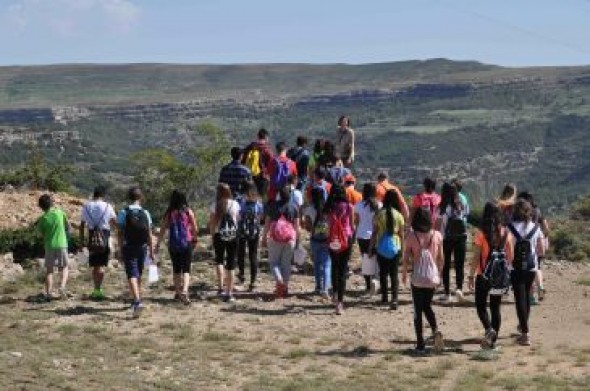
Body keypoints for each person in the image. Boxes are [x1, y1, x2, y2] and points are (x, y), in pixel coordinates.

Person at [468, 202, 514, 350]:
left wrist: (470, 276)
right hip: (499, 276)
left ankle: (489, 330)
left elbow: (475, 257)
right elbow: (510, 256)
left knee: (480, 305)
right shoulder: (505, 232)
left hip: (483, 275)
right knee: (496, 307)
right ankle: (492, 342)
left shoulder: (481, 233)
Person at [401, 207, 445, 354]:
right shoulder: (437, 235)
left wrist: (404, 274)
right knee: (427, 306)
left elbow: (406, 257)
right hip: (432, 278)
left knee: (417, 311)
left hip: (418, 278)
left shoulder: (411, 236)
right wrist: (439, 274)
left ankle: (420, 344)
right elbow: (441, 258)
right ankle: (435, 330)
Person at [507, 199, 545, 346]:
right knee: (527, 297)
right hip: (531, 267)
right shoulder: (536, 228)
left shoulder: (510, 227)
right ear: (530, 212)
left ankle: (525, 333)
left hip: (515, 268)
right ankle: (524, 327)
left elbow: (507, 249)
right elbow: (541, 250)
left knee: (519, 299)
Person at [155, 190, 199, 305]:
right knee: (187, 269)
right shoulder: (188, 212)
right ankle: (185, 290)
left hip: (173, 244)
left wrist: (158, 244)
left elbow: (163, 229)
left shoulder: (169, 213)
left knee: (176, 269)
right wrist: (195, 239)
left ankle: (178, 293)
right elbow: (195, 228)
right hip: (187, 242)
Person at [117, 187, 155, 317]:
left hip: (129, 246)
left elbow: (120, 233)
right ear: (140, 198)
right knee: (138, 272)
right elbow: (149, 234)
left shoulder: (123, 212)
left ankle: (137, 301)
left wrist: (120, 247)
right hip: (142, 247)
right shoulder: (146, 212)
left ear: (129, 197)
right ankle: (136, 298)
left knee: (131, 274)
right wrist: (151, 250)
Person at [261, 185, 301, 299]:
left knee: (274, 262)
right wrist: (297, 241)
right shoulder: (294, 207)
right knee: (286, 264)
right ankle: (285, 288)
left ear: (279, 194)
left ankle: (279, 280)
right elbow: (297, 227)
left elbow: (267, 224)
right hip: (289, 239)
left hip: (275, 238)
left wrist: (264, 238)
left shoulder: (273, 206)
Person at [79, 186, 117, 300]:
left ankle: (96, 289)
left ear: (94, 194)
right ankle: (98, 290)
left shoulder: (86, 206)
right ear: (103, 195)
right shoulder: (107, 206)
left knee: (95, 265)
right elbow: (114, 222)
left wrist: (81, 241)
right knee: (101, 265)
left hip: (92, 237)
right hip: (104, 236)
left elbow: (82, 225)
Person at [370, 190, 405, 309]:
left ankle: (384, 297)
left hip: (381, 247)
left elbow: (374, 233)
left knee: (383, 273)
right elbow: (401, 234)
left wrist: (371, 248)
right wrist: (403, 250)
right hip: (395, 246)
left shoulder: (379, 214)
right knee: (394, 274)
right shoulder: (399, 215)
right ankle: (394, 298)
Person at [208, 183, 241, 302]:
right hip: (232, 236)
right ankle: (229, 292)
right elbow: (237, 220)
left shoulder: (215, 205)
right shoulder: (235, 204)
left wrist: (212, 236)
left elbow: (212, 223)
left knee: (219, 260)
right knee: (231, 264)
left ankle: (221, 286)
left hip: (219, 235)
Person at [325, 184, 354, 315]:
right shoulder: (349, 207)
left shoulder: (329, 207)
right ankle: (340, 303)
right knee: (342, 270)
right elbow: (352, 226)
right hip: (345, 240)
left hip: (332, 240)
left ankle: (335, 293)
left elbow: (328, 224)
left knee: (334, 267)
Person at [37, 194, 71, 301]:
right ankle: (62, 287)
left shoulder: (42, 218)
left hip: (49, 245)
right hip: (61, 243)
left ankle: (48, 293)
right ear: (51, 203)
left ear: (41, 206)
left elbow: (40, 234)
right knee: (64, 267)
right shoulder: (59, 213)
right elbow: (68, 226)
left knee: (49, 271)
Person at [517, 191, 550, 303]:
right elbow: (546, 226)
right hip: (538, 240)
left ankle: (530, 296)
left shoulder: (524, 211)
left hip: (526, 243)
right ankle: (540, 286)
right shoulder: (538, 210)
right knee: (537, 267)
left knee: (527, 269)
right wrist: (544, 237)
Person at [439, 184, 469, 302]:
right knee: (459, 265)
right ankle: (459, 289)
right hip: (461, 237)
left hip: (447, 239)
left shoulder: (443, 207)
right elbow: (466, 217)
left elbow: (442, 224)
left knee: (446, 265)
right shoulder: (461, 205)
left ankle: (447, 293)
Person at [303, 185, 331, 298]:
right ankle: (326, 289)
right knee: (327, 264)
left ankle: (318, 286)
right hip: (327, 240)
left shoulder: (309, 209)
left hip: (315, 240)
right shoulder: (329, 208)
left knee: (317, 264)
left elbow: (308, 227)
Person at [236, 181, 264, 291]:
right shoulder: (259, 204)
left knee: (241, 253)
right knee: (253, 255)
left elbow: (238, 216)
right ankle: (253, 281)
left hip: (242, 231)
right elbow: (261, 218)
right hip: (254, 231)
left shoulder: (241, 202)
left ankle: (242, 275)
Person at [354, 183, 381, 295]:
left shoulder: (359, 205)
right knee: (376, 260)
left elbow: (356, 221)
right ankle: (376, 279)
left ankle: (368, 285)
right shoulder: (379, 205)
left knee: (366, 260)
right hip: (375, 235)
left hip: (362, 235)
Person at [242, 128, 274, 200]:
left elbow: (243, 161)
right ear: (266, 137)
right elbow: (272, 162)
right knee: (262, 197)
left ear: (258, 136)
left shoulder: (250, 147)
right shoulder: (266, 149)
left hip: (249, 176)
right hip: (263, 176)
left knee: (249, 197)